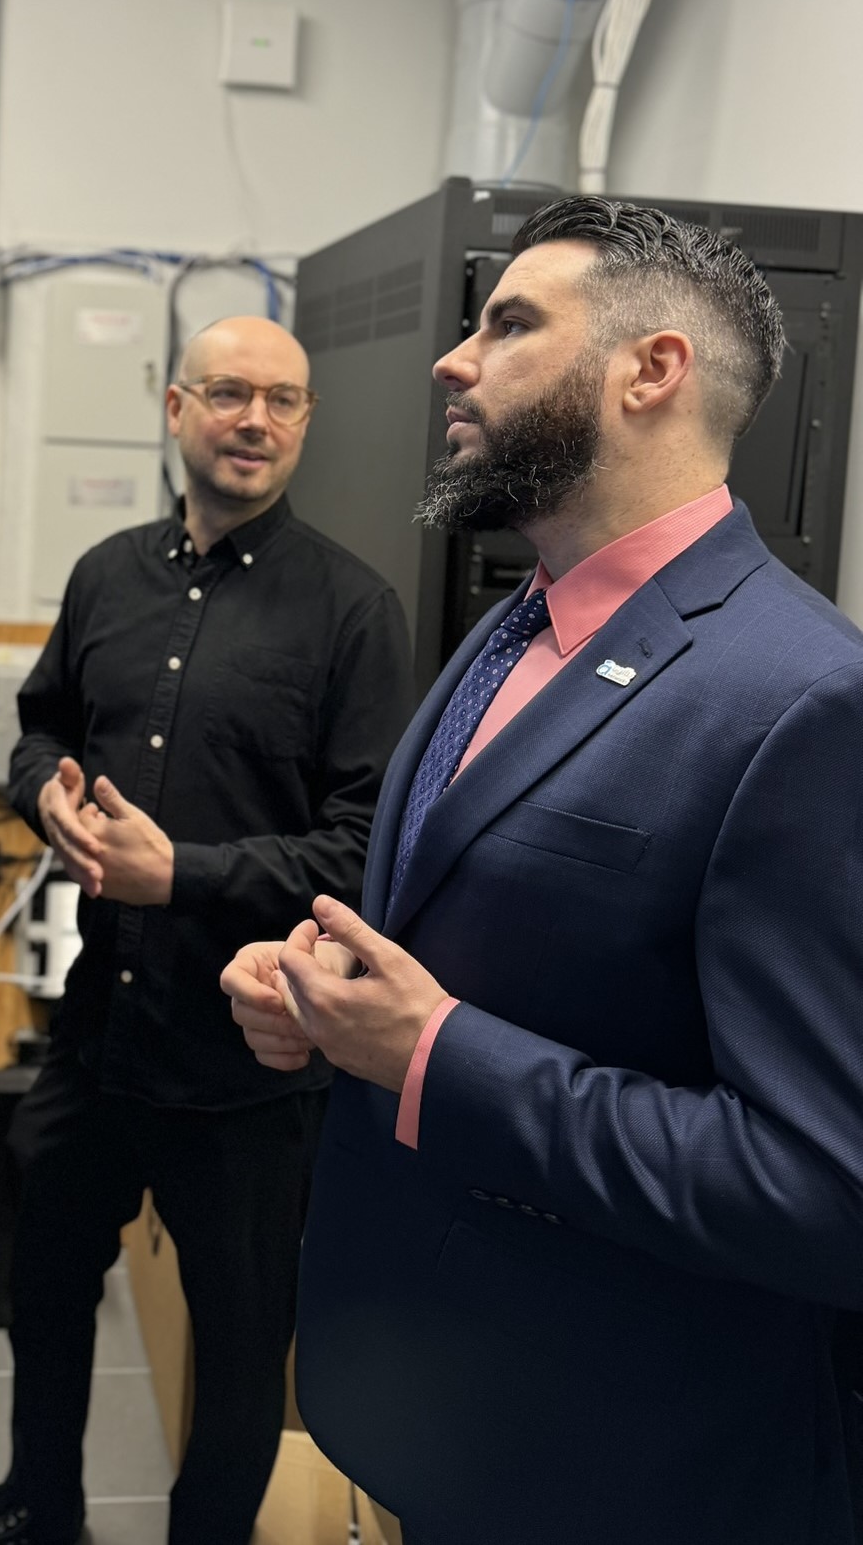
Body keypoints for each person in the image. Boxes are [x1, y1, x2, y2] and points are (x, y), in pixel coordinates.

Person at [223, 196, 863, 1545]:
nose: (454, 360)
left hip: (617, 1467)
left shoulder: (804, 700)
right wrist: (327, 1001)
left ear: (653, 371)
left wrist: (433, 1055)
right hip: (442, 1406)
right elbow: (490, 945)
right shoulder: (516, 625)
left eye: (509, 324)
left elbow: (821, 1187)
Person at [0, 316, 414, 1545]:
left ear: (303, 425)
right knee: (44, 1280)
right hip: (98, 1037)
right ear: (177, 407)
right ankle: (38, 1506)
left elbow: (363, 849)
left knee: (241, 1348)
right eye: (232, 392)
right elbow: (37, 729)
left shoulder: (353, 611)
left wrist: (176, 871)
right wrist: (49, 799)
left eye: (285, 401)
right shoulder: (105, 577)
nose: (257, 420)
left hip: (247, 1065)